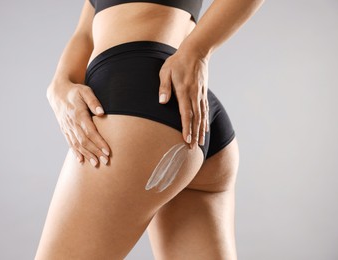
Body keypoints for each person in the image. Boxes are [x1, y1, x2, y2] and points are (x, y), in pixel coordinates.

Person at [35, 0, 264, 258]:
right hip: (186, 114)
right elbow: (85, 32)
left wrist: (197, 51)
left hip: (136, 106)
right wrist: (60, 82)